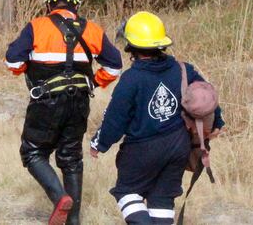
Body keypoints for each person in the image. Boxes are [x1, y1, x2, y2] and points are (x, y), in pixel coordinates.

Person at [89, 11, 225, 225]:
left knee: (127, 192)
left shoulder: (131, 79)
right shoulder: (183, 70)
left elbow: (116, 119)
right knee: (162, 200)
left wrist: (99, 143)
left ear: (131, 46)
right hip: (178, 147)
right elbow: (206, 97)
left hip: (141, 150)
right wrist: (217, 122)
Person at [6, 0, 124, 225]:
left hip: (46, 101)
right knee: (71, 158)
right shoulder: (92, 29)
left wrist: (29, 66)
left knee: (33, 152)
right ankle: (73, 220)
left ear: (49, 5)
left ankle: (60, 197)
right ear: (76, 6)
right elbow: (114, 66)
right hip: (79, 102)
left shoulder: (36, 26)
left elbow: (13, 62)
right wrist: (93, 83)